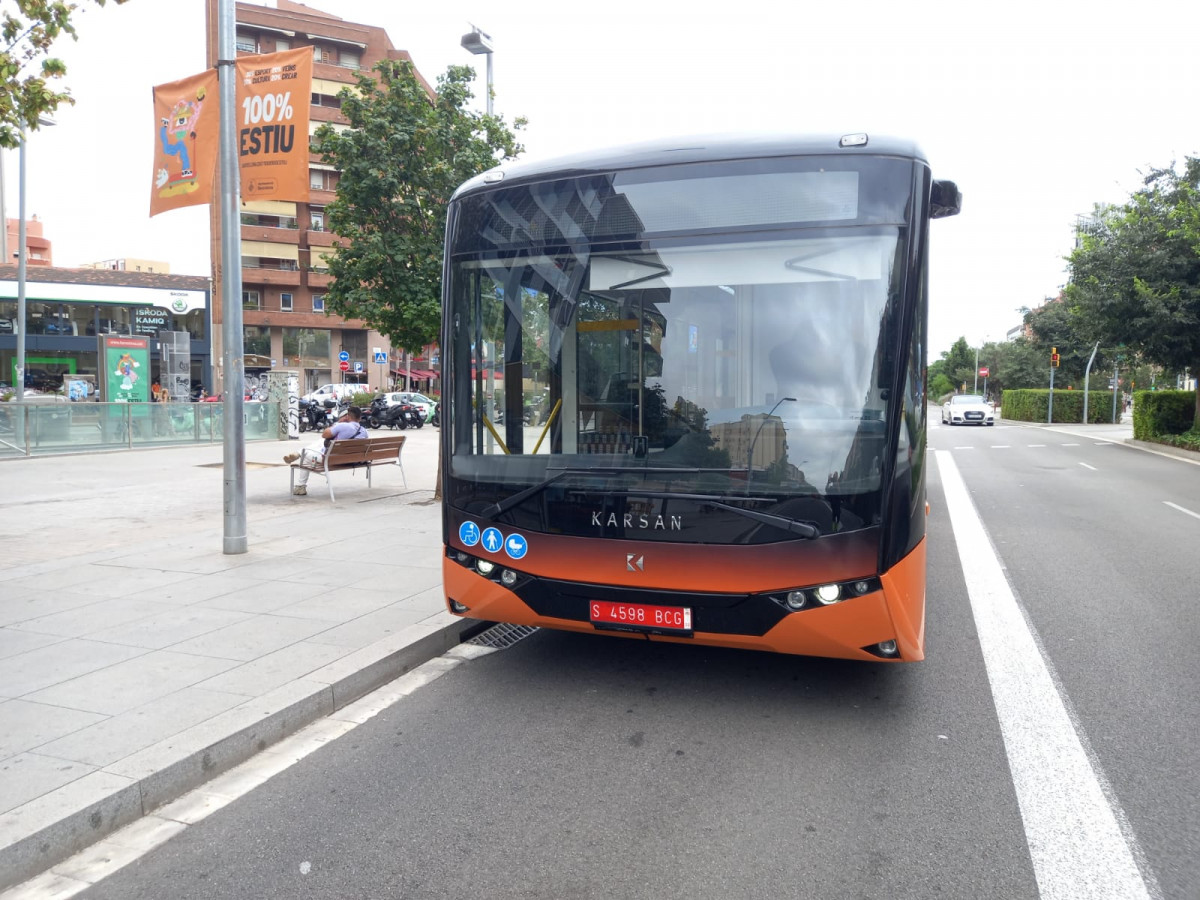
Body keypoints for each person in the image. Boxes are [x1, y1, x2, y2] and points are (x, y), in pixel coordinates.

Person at [284, 405, 368, 495]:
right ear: (360, 418)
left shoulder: (342, 426)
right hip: (351, 460)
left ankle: (301, 486)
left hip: (331, 460)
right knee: (312, 449)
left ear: (348, 416)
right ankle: (299, 454)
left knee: (305, 455)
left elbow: (324, 435)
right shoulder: (364, 431)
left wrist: (338, 424)